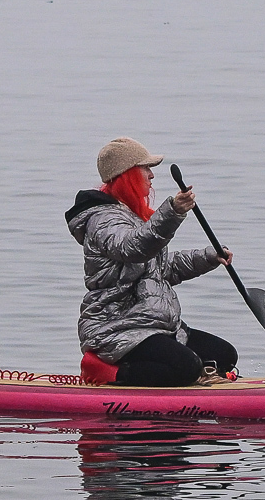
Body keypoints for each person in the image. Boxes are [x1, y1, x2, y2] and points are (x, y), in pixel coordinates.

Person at [65, 137, 239, 386]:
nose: (151, 175)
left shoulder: (132, 215)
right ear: (127, 174)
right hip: (116, 328)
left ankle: (192, 375)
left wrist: (209, 257)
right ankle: (107, 372)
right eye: (145, 168)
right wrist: (173, 212)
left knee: (225, 355)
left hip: (154, 324)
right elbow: (133, 248)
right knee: (186, 367)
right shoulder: (103, 220)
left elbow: (163, 268)